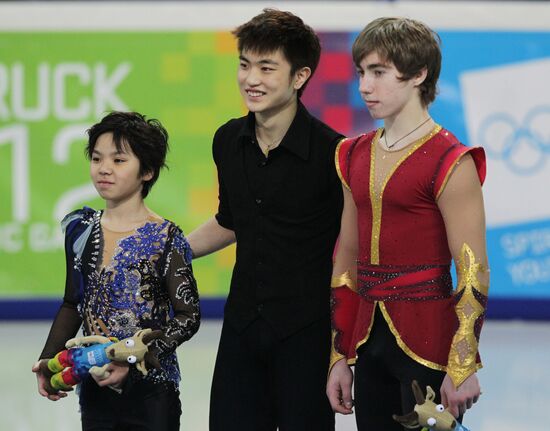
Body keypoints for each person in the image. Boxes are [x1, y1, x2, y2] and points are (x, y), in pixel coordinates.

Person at [326, 17, 489, 430]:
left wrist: (464, 361)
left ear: (419, 74)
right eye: (361, 72)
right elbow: (346, 258)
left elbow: (472, 268)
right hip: (368, 342)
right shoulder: (351, 154)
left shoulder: (452, 159)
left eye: (378, 72)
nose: (364, 86)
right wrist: (339, 356)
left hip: (431, 343)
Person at [187, 9, 343, 431]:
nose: (250, 79)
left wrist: (345, 349)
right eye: (244, 64)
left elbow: (353, 250)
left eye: (266, 67)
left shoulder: (335, 154)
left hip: (305, 335)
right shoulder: (227, 140)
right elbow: (230, 220)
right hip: (240, 329)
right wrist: (170, 252)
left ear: (299, 76)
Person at [32, 111, 200, 431]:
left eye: (119, 160)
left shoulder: (166, 238)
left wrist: (133, 358)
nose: (104, 169)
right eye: (97, 158)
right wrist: (48, 360)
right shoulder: (81, 229)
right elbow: (73, 303)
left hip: (152, 392)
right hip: (95, 388)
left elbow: (188, 316)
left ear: (147, 171)